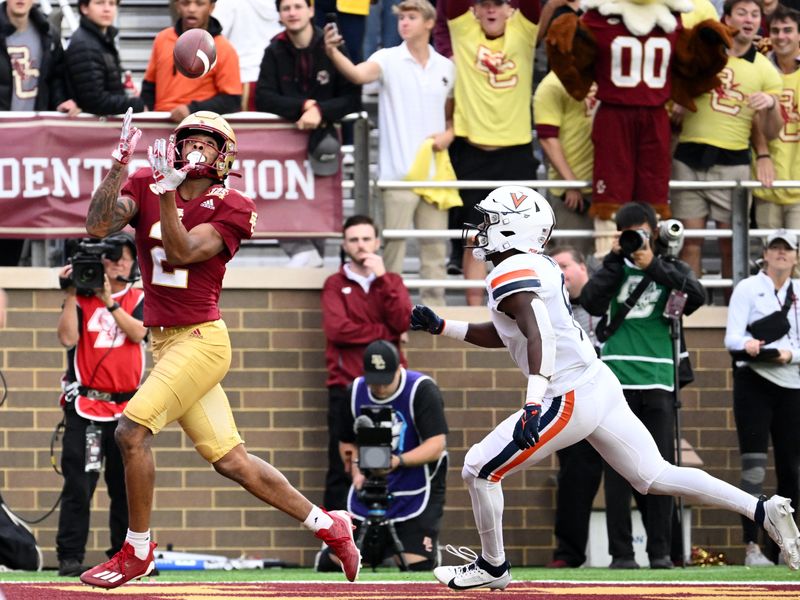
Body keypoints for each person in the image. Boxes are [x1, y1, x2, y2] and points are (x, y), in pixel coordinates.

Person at [410, 184, 800, 591]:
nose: (481, 229)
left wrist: (532, 403)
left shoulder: (510, 271)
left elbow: (538, 333)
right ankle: (762, 510)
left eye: (490, 221)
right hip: (596, 382)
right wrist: (443, 327)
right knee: (654, 475)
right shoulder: (535, 265)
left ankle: (493, 566)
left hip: (567, 394)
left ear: (514, 229)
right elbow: (511, 333)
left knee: (479, 468)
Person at [78, 108, 361, 588]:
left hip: (202, 341)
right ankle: (329, 525)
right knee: (232, 461)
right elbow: (97, 226)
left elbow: (186, 250)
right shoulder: (147, 181)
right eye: (191, 139)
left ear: (224, 155)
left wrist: (167, 194)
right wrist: (120, 164)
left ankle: (137, 550)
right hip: (165, 343)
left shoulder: (232, 204)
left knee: (129, 432)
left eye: (209, 143)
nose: (198, 148)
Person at [579, 202, 705, 569]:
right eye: (629, 234)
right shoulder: (613, 268)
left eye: (642, 233)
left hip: (659, 379)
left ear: (654, 230)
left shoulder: (672, 266)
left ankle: (661, 553)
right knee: (617, 468)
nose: (637, 240)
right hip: (616, 378)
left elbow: (697, 296)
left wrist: (654, 264)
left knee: (661, 467)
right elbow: (589, 301)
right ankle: (621, 554)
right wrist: (616, 260)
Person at [324, 0, 454, 304]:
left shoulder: (447, 67)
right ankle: (389, 313)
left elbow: (452, 117)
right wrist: (332, 52)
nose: (404, 23)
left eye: (412, 17)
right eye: (402, 17)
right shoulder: (387, 58)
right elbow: (357, 75)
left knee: (435, 253)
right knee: (392, 254)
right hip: (396, 176)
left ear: (429, 23)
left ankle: (435, 317)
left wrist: (450, 133)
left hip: (436, 177)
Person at [54, 232, 146, 577]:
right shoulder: (80, 297)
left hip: (127, 409)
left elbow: (139, 333)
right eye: (113, 258)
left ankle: (125, 555)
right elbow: (66, 338)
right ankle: (69, 555)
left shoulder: (137, 295)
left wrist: (110, 301)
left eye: (125, 258)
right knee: (79, 483)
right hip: (86, 408)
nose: (120, 263)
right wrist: (69, 295)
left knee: (125, 487)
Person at [672, 0, 784, 279]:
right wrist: (678, 103)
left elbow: (771, 132)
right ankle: (693, 313)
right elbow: (674, 97)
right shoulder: (702, 54)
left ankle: (734, 311)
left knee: (731, 244)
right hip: (688, 155)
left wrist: (771, 104)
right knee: (690, 241)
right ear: (727, 17)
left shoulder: (766, 69)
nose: (749, 19)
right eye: (742, 13)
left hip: (733, 159)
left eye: (755, 14)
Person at [317, 340, 448, 571]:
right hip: (369, 484)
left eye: (385, 381)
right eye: (374, 382)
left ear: (399, 369)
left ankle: (418, 547)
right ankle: (372, 551)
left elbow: (437, 445)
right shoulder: (355, 391)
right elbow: (346, 442)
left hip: (415, 481)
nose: (379, 388)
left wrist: (398, 461)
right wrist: (357, 471)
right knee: (335, 563)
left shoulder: (421, 389)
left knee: (416, 565)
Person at [443, 0, 541, 305]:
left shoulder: (524, 31)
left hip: (516, 153)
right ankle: (476, 310)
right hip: (471, 152)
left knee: (522, 238)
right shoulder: (464, 31)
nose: (490, 10)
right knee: (474, 238)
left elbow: (532, 5)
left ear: (509, 9)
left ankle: (520, 306)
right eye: (483, 4)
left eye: (498, 4)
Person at [255, 0, 361, 268]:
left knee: (320, 215)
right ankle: (309, 264)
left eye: (298, 6)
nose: (292, 13)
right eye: (286, 7)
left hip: (322, 149)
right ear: (279, 14)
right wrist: (304, 107)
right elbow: (264, 98)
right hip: (282, 154)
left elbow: (352, 98)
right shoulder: (274, 49)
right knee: (283, 209)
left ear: (312, 10)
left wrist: (320, 111)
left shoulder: (332, 46)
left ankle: (315, 271)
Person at [321, 215, 412, 511]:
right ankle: (334, 543)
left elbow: (402, 321)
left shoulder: (392, 282)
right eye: (354, 240)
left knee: (384, 463)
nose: (360, 245)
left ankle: (383, 542)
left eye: (366, 239)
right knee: (342, 466)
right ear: (345, 245)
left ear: (377, 242)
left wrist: (383, 279)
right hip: (345, 387)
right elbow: (338, 330)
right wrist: (386, 334)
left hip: (389, 389)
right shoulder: (335, 284)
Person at [725, 229, 800, 567]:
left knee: (791, 470)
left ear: (796, 257)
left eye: (788, 249)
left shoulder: (798, 292)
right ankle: (751, 547)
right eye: (776, 248)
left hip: (791, 385)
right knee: (753, 468)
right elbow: (733, 339)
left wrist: (788, 356)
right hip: (753, 382)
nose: (782, 254)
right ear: (765, 254)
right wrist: (750, 346)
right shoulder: (747, 288)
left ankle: (786, 547)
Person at [0, 0, 79, 266]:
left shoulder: (46, 32)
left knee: (15, 219)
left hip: (27, 145)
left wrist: (62, 102)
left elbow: (55, 78)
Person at [545, 246, 603, 568]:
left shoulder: (608, 296)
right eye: (554, 267)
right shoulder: (553, 307)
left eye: (565, 265)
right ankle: (568, 553)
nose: (561, 273)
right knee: (574, 478)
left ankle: (664, 551)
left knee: (641, 474)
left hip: (618, 395)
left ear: (583, 266)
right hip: (575, 398)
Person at [141, 0, 242, 122]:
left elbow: (232, 100)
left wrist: (192, 110)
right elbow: (149, 87)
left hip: (199, 127)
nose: (191, 9)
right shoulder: (162, 39)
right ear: (177, 6)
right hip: (160, 122)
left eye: (199, 4)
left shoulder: (224, 48)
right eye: (185, 3)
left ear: (212, 7)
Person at [534, 70, 597, 259]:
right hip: (573, 193)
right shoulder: (552, 84)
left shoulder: (606, 74)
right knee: (570, 257)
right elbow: (547, 139)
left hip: (608, 188)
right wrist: (571, 184)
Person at [751, 6, 800, 230]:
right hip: (767, 183)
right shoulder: (758, 70)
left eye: (788, 30)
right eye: (776, 30)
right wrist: (762, 154)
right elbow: (750, 118)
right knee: (769, 256)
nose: (781, 36)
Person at [64, 0, 146, 116]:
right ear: (84, 8)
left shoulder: (103, 40)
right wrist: (138, 104)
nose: (107, 9)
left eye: (112, 3)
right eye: (99, 3)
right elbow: (95, 102)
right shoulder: (85, 45)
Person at [214, 0, 282, 111]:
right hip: (274, 83)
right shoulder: (290, 6)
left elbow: (212, 37)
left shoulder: (227, 3)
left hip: (240, 81)